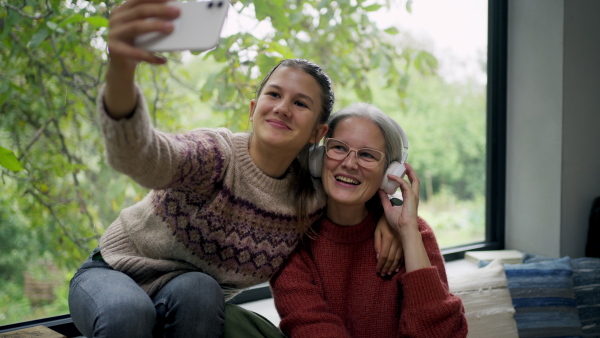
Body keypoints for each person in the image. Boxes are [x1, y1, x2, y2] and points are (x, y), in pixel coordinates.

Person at [67, 1, 403, 337]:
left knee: (200, 291)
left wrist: (390, 219)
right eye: (274, 95)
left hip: (190, 294)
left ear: (318, 133)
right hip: (114, 271)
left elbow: (358, 180)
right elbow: (140, 156)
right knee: (130, 314)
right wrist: (122, 70)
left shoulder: (310, 194)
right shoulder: (215, 156)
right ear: (254, 109)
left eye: (300, 103)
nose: (283, 108)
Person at [270, 103, 469, 337]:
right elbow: (312, 329)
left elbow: (442, 333)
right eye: (339, 148)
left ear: (388, 175)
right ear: (319, 157)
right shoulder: (290, 238)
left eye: (367, 155)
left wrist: (408, 234)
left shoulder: (414, 234)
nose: (350, 164)